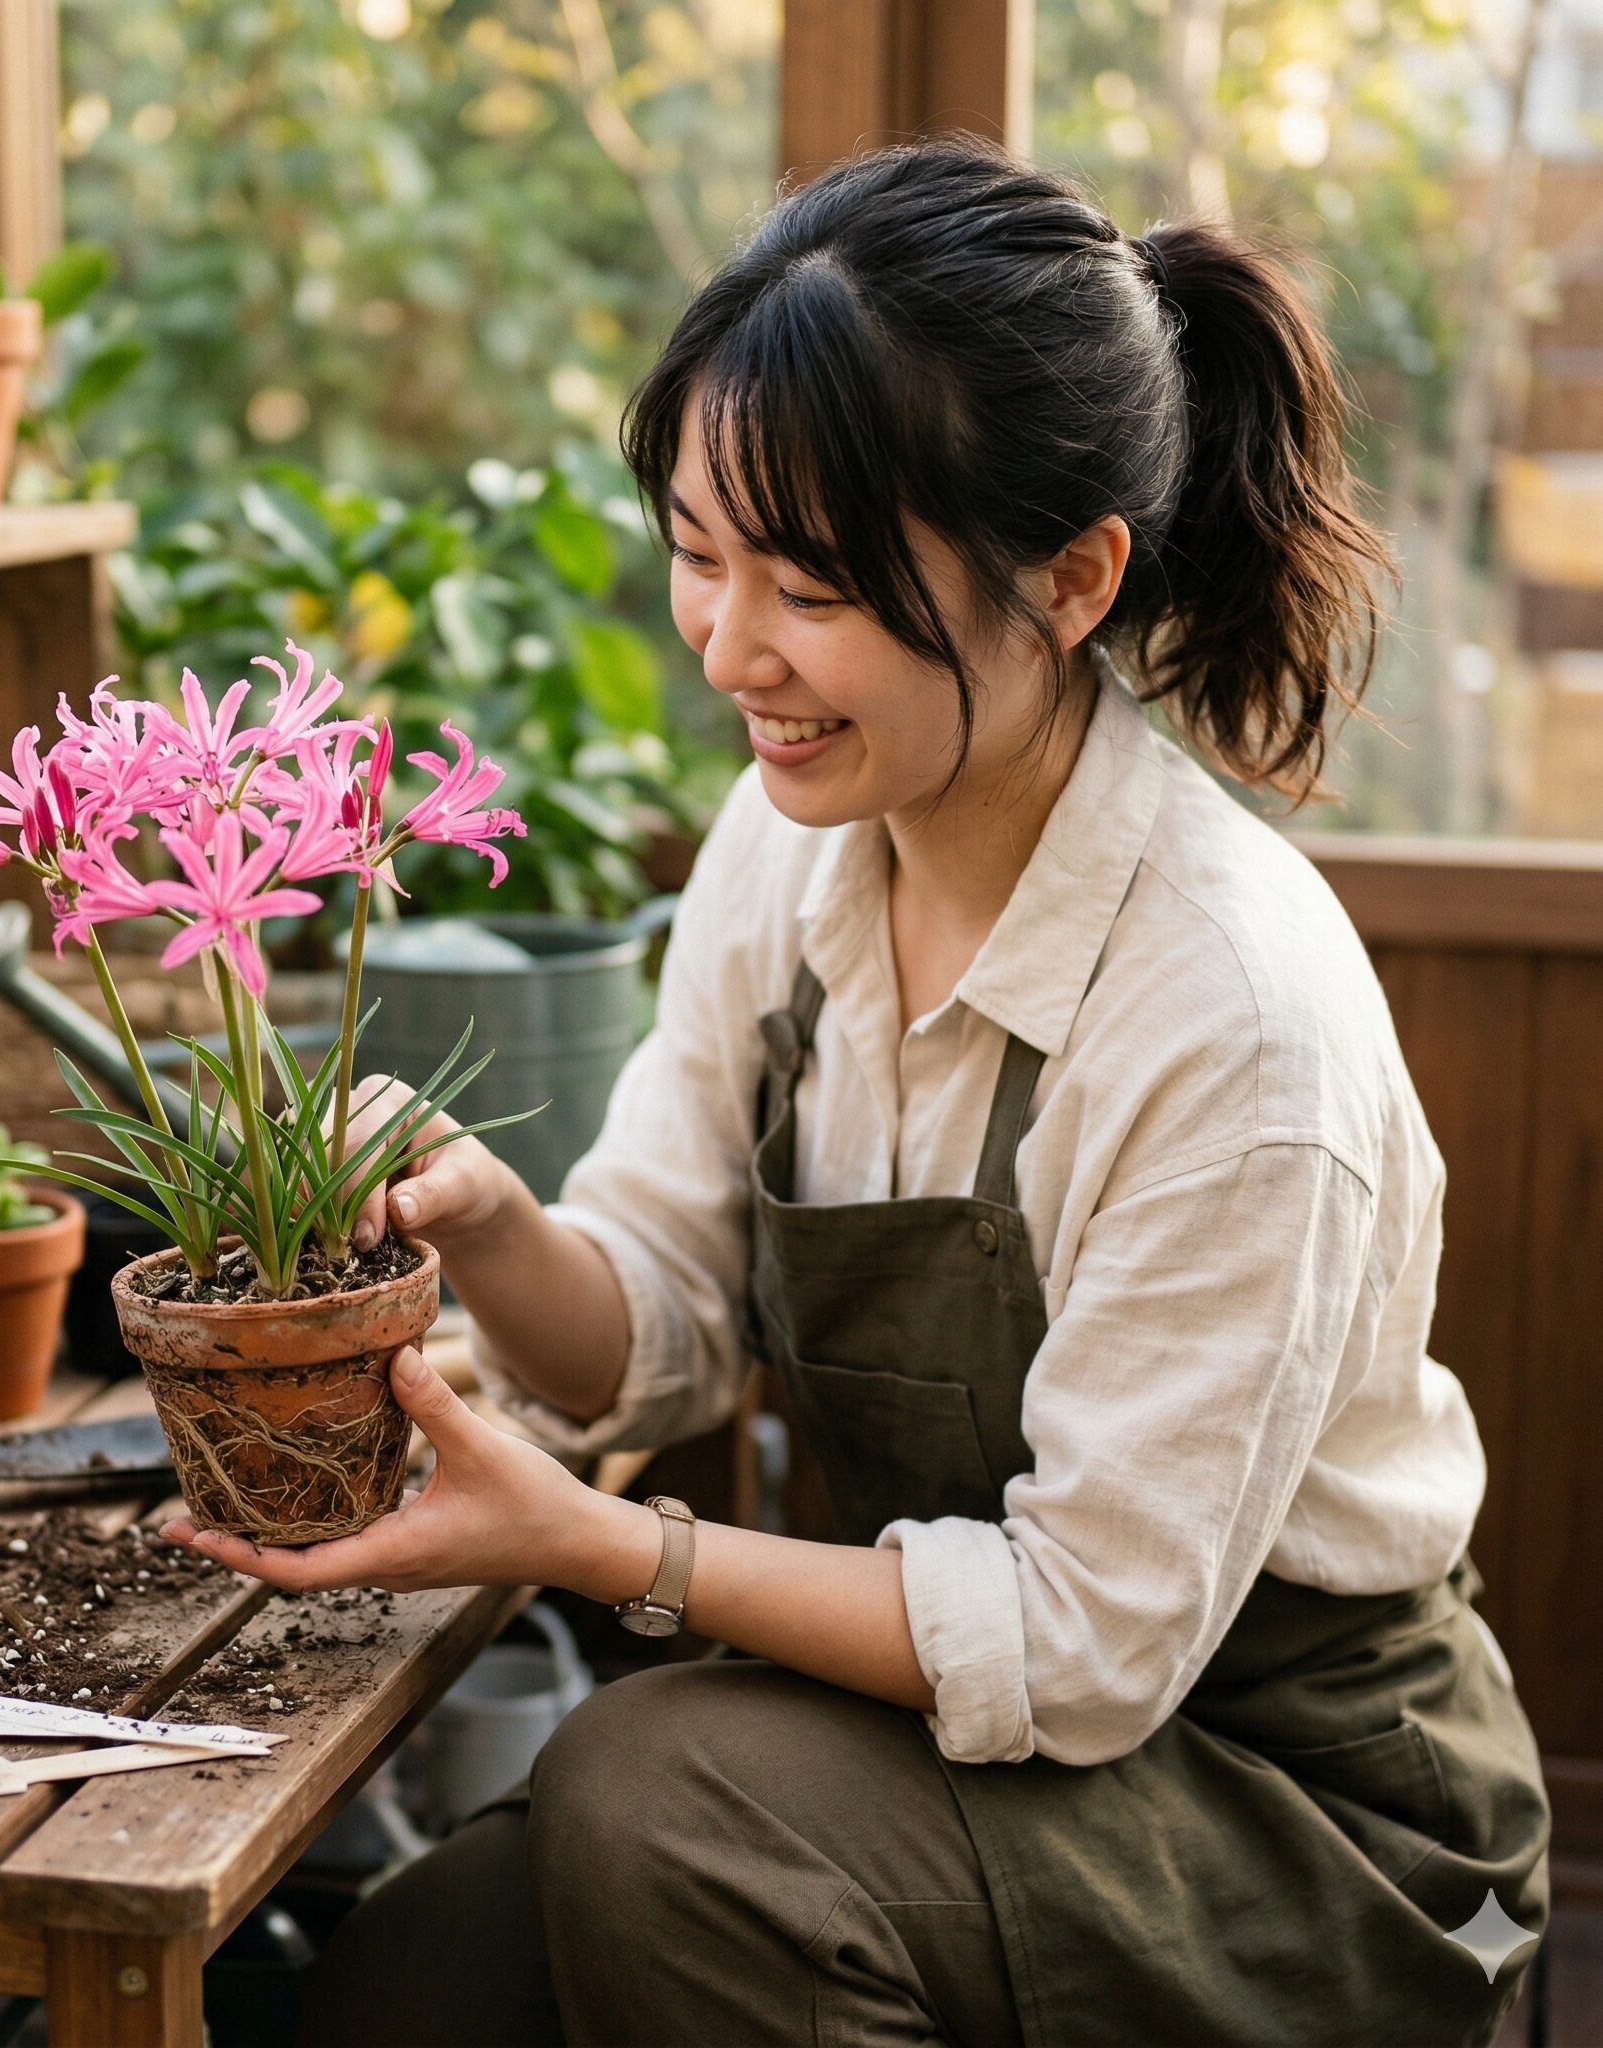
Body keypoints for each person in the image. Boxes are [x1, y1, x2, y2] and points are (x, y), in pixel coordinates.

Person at [161, 136, 1549, 2048]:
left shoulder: (1230, 1010)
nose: (731, 650)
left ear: (1070, 581)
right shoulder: (796, 837)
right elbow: (644, 1327)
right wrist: (485, 1217)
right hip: (964, 1733)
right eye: (698, 557)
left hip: (1291, 1807)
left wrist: (603, 1548)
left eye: (808, 584)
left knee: (653, 1804)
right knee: (407, 1981)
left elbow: (1082, 1642)